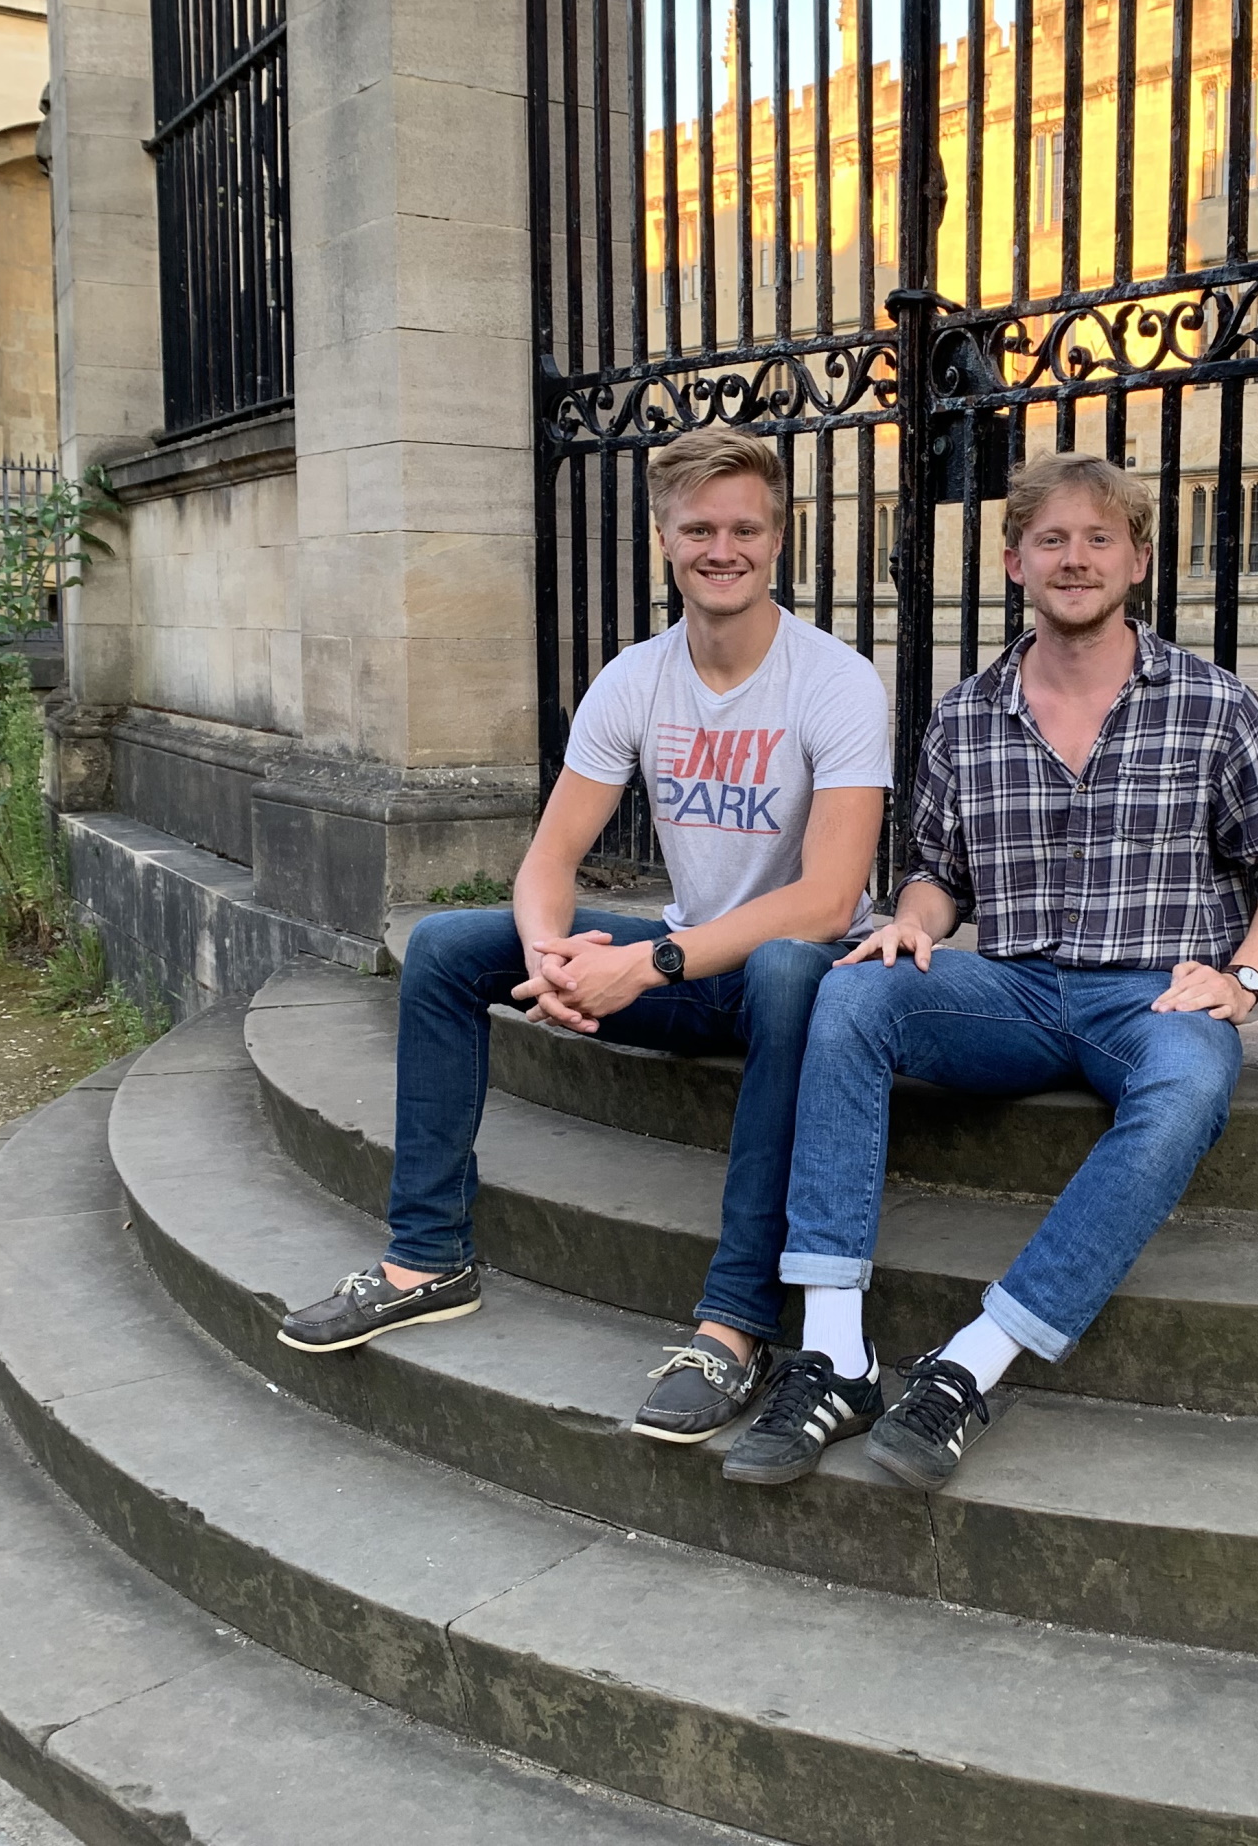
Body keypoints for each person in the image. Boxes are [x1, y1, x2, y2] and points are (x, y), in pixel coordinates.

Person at [719, 450, 1258, 1491]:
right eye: (1051, 538)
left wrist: (1245, 979)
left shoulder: (1212, 704)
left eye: (1100, 538)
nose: (1075, 558)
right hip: (1008, 990)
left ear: (1138, 557)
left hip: (1153, 991)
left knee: (1190, 1078)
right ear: (1013, 560)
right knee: (853, 989)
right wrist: (911, 922)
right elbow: (937, 873)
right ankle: (835, 1349)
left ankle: (970, 1364)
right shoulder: (968, 713)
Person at [279, 428, 891, 1452]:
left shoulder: (834, 680)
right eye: (698, 528)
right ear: (664, 539)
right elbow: (547, 861)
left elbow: (828, 902)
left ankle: (732, 1328)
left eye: (744, 527)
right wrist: (552, 961)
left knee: (788, 967)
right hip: (693, 960)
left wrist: (640, 964)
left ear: (777, 540)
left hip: (803, 984)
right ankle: (426, 1258)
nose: (721, 547)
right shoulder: (636, 679)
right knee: (442, 947)